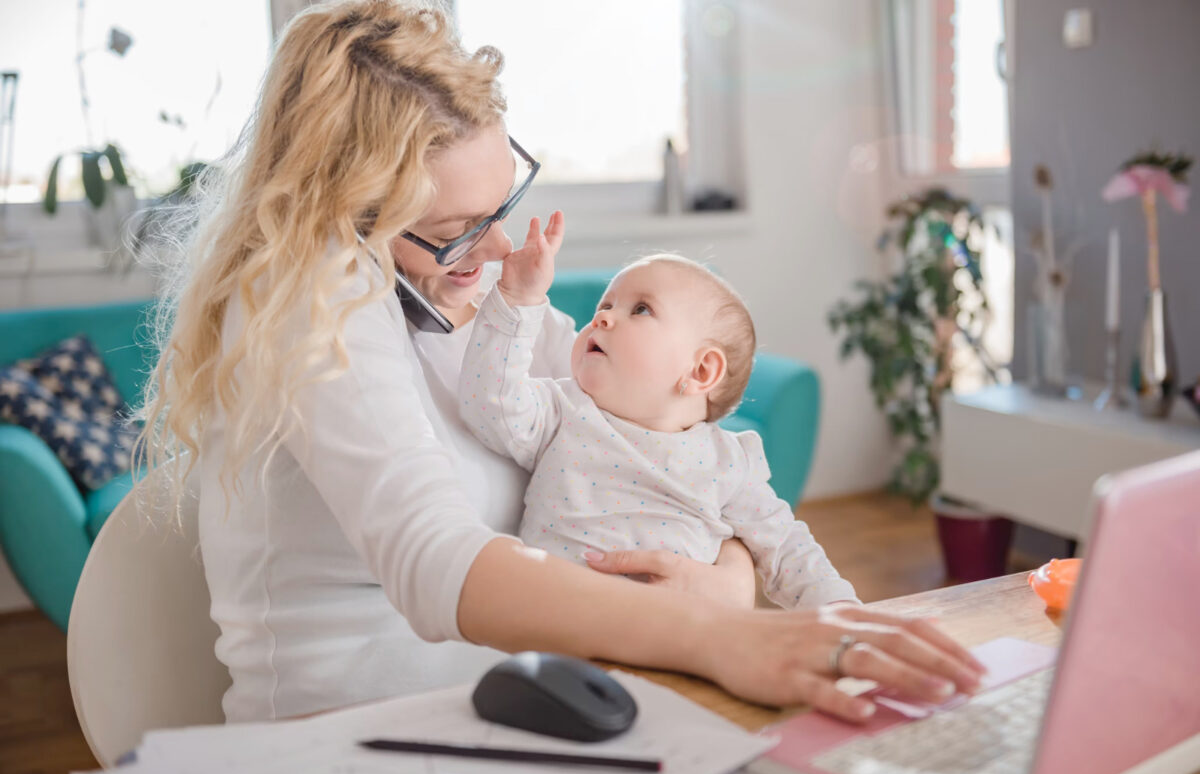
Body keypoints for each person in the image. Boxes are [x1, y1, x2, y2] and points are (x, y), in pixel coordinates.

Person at [139, 0, 985, 725]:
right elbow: (435, 558)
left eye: (501, 204)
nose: (501, 249)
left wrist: (727, 584)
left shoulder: (487, 309)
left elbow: (656, 459)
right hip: (356, 746)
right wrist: (718, 634)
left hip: (541, 700)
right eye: (451, 231)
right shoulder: (308, 294)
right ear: (340, 212)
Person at [460, 241, 859, 609]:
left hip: (682, 640)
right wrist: (517, 304)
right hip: (560, 632)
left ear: (701, 370)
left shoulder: (730, 461)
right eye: (605, 305)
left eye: (640, 309)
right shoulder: (562, 409)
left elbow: (787, 547)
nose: (603, 317)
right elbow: (491, 403)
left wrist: (839, 610)